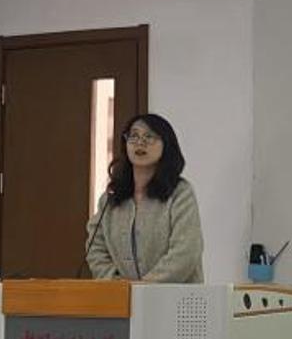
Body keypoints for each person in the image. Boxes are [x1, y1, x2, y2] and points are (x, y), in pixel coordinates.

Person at [86, 113, 204, 283]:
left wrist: (144, 287)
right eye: (134, 136)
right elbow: (95, 249)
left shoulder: (180, 193)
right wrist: (117, 283)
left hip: (175, 296)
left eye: (149, 137)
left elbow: (186, 251)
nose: (140, 142)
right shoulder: (111, 199)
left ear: (166, 145)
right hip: (123, 296)